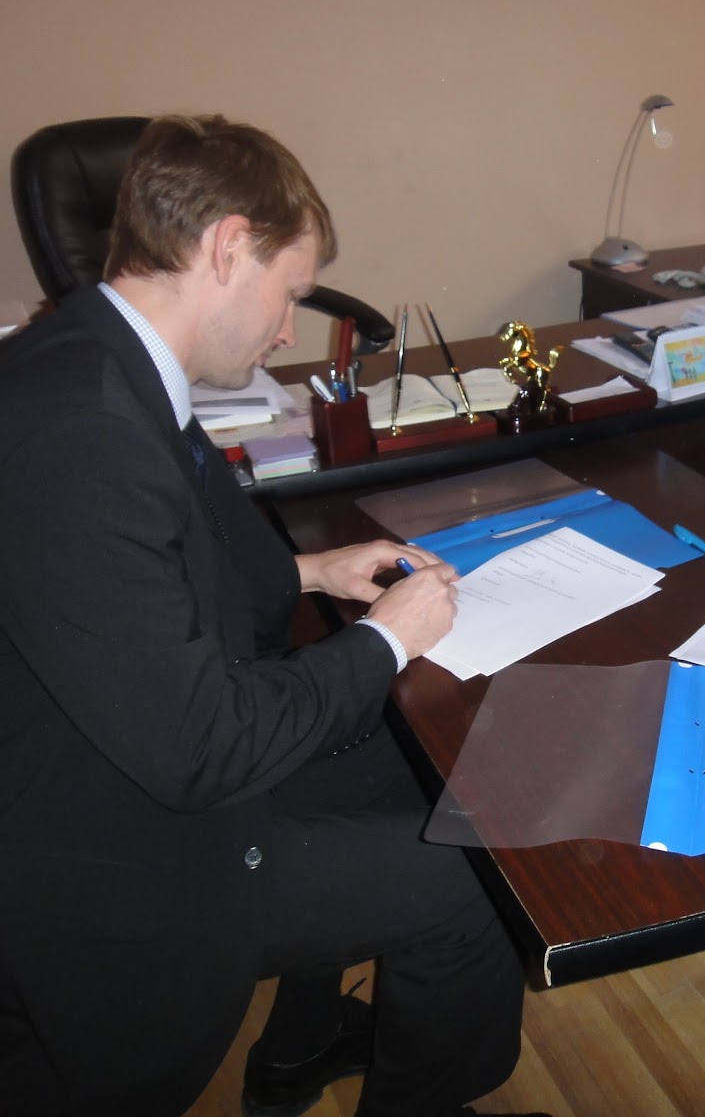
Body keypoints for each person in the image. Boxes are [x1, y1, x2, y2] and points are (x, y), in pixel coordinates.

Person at [0, 116, 548, 1117]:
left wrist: (316, 570)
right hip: (124, 856)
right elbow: (203, 748)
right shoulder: (86, 436)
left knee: (449, 762)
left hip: (145, 749)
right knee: (484, 879)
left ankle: (300, 1046)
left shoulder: (100, 356)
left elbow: (165, 574)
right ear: (226, 248)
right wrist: (388, 636)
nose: (289, 328)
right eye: (290, 291)